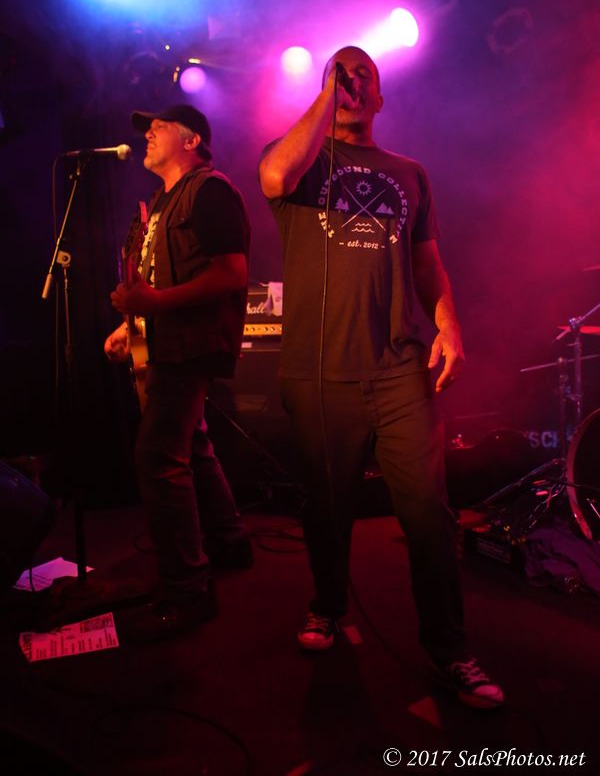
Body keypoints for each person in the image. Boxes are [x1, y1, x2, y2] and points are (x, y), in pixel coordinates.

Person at [259, 47, 503, 708]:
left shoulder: (409, 173)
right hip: (320, 370)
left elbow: (428, 265)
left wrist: (449, 325)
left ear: (381, 97)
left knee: (428, 513)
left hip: (398, 367)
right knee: (326, 506)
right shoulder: (298, 161)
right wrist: (325, 94)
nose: (352, 79)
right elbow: (275, 177)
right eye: (340, 72)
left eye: (362, 73)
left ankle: (451, 650)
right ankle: (327, 605)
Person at [105, 104, 251, 642]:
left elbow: (232, 274)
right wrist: (131, 325)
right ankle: (230, 541)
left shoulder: (210, 190)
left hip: (192, 345)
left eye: (159, 126)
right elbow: (158, 279)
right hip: (167, 343)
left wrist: (156, 304)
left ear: (191, 141)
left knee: (158, 456)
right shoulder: (162, 203)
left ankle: (188, 587)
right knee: (193, 444)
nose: (147, 132)